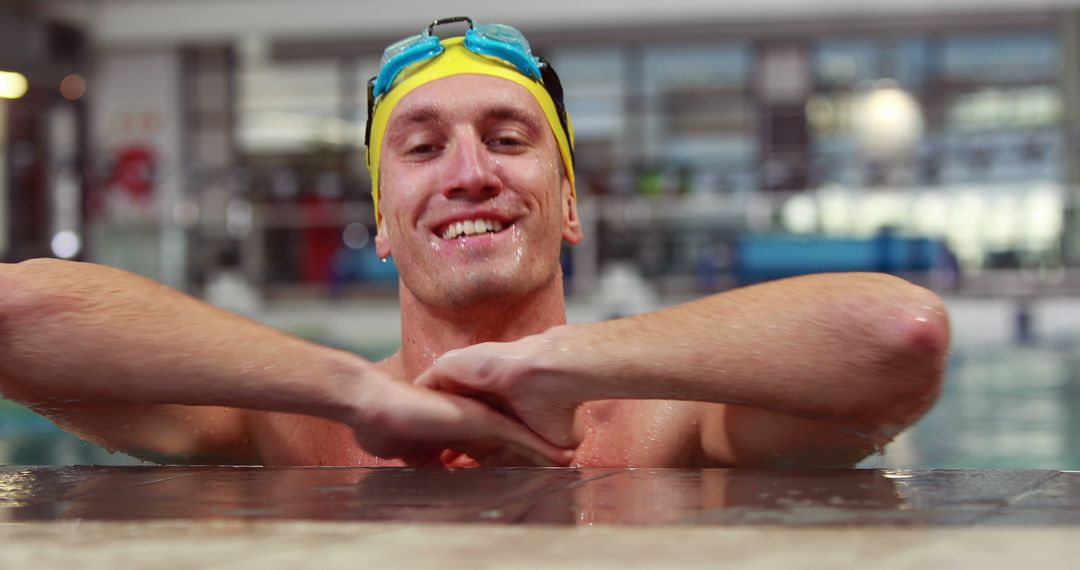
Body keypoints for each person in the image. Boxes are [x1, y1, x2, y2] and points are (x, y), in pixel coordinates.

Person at [0, 17, 949, 468]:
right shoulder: (297, 429)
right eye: (421, 149)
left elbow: (896, 335)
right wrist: (353, 389)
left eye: (506, 139)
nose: (468, 174)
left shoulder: (668, 427)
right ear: (380, 219)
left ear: (568, 204)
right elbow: (17, 314)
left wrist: (561, 364)